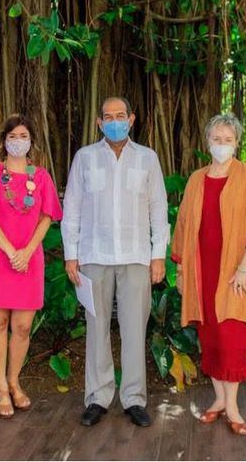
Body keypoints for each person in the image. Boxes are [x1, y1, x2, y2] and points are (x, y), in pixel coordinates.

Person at [62, 97, 170, 427]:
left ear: (132, 119)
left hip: (136, 257)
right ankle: (97, 397)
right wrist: (71, 254)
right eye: (107, 117)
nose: (114, 121)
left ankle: (134, 399)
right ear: (99, 123)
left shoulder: (147, 159)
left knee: (135, 328)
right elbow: (73, 208)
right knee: (96, 329)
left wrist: (158, 255)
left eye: (120, 116)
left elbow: (158, 209)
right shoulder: (85, 158)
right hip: (94, 256)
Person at [171, 113, 246, 436]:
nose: (222, 145)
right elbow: (184, 225)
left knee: (233, 341)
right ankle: (218, 400)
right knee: (211, 340)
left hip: (236, 273)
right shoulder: (196, 179)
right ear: (208, 141)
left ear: (237, 142)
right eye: (217, 139)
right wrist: (181, 269)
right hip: (203, 273)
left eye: (228, 140)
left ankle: (233, 407)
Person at [0, 113, 63, 418]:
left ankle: (14, 381)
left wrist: (27, 251)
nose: (18, 142)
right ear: (4, 141)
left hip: (29, 258)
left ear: (31, 142)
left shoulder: (42, 177)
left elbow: (47, 217)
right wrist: (12, 251)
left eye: (24, 136)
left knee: (22, 327)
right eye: (13, 137)